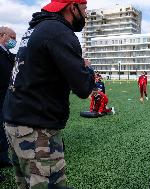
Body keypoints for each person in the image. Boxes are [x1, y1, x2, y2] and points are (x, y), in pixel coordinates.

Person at [2, 0, 95, 188]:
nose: (85, 15)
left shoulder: (36, 28)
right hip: (35, 129)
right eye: (84, 10)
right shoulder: (59, 32)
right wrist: (87, 69)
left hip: (14, 123)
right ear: (73, 7)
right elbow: (83, 88)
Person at [0, 26, 16, 181]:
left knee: (3, 132)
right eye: (12, 37)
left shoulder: (8, 54)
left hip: (5, 99)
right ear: (2, 35)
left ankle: (3, 159)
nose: (14, 41)